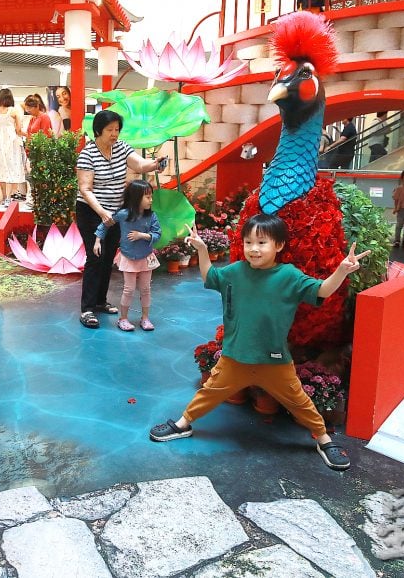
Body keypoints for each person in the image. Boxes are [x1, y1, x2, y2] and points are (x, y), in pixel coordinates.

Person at [148, 215, 370, 470]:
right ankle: (182, 424)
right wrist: (202, 250)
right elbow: (211, 277)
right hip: (235, 356)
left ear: (279, 246)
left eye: (262, 242)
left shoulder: (289, 276)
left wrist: (341, 270)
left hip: (274, 360)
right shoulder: (235, 271)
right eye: (248, 242)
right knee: (210, 392)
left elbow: (322, 290)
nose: (254, 248)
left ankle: (324, 439)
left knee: (299, 401)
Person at [76, 110, 167, 329]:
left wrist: (155, 164)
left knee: (108, 257)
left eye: (117, 129)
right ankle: (87, 309)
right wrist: (102, 213)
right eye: (110, 130)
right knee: (95, 256)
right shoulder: (87, 154)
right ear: (98, 130)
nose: (114, 134)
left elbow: (140, 165)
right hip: (91, 212)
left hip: (116, 213)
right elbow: (85, 188)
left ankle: (100, 301)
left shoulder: (122, 148)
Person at [94, 180, 162, 332]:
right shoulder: (123, 214)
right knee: (128, 289)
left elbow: (157, 234)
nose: (151, 200)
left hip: (145, 257)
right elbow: (105, 223)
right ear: (136, 198)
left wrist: (142, 235)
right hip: (128, 257)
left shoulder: (151, 216)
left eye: (151, 197)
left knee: (146, 289)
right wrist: (98, 240)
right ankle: (123, 319)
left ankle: (145, 318)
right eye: (148, 197)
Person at [0, 88, 27, 201]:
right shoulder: (14, 111)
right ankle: (12, 194)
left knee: (1, 167)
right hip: (12, 142)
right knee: (14, 165)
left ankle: (4, 197)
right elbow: (18, 129)